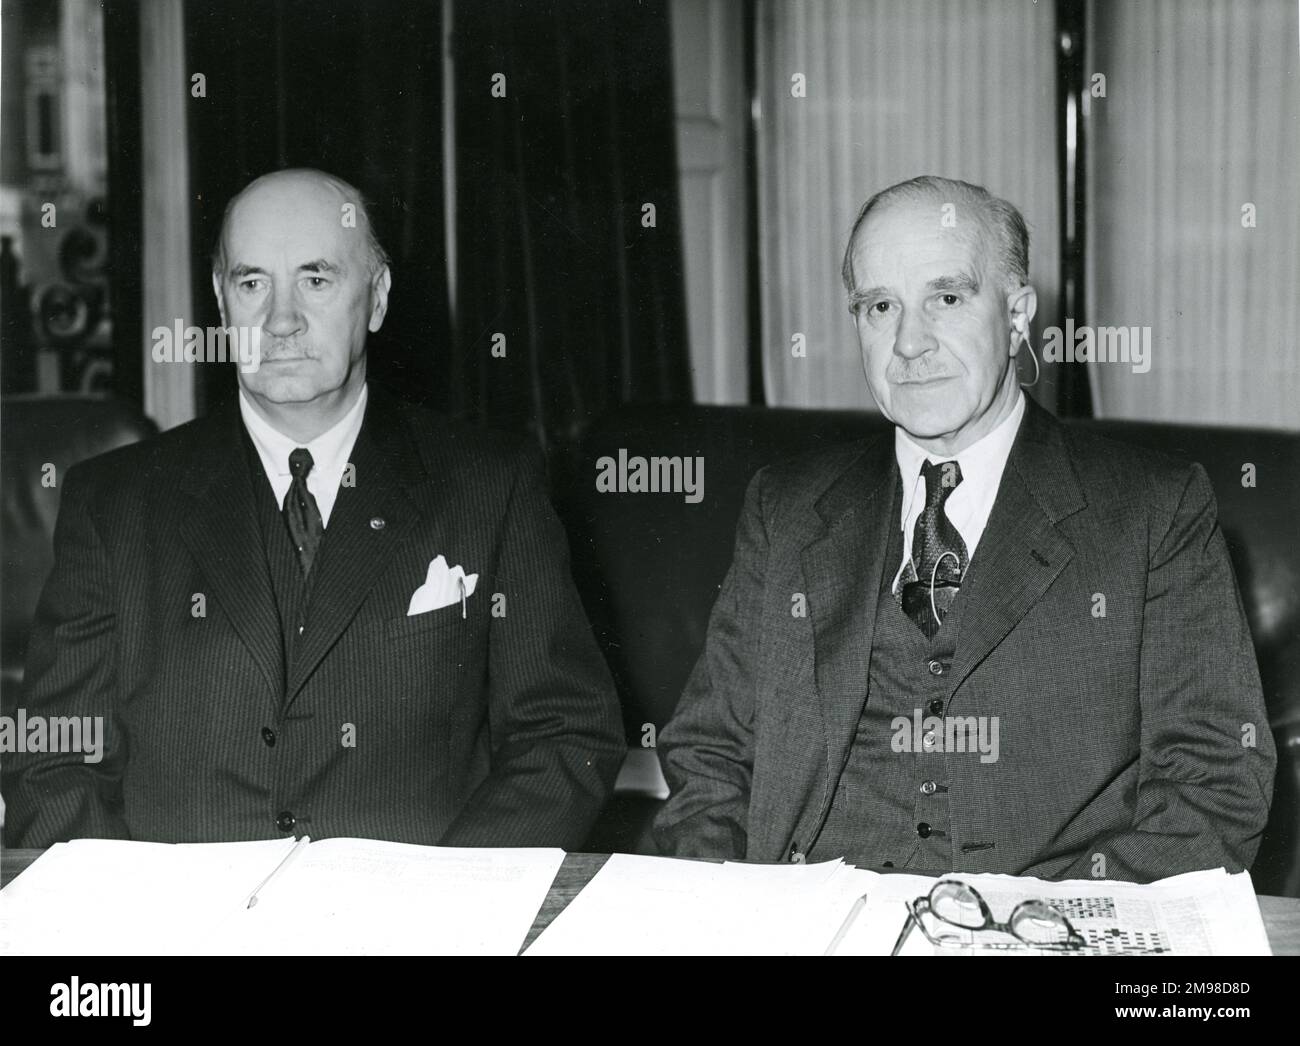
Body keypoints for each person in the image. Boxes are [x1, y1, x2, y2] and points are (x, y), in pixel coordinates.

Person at [654, 175, 1275, 882]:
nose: (909, 342)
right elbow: (709, 755)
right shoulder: (788, 508)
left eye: (946, 298)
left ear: (1016, 317)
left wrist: (1045, 933)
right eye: (879, 306)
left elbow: (1215, 780)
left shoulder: (1154, 509)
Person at [3, 168, 625, 849]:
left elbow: (565, 731)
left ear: (378, 298)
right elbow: (56, 759)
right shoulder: (114, 503)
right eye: (251, 283)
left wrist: (448, 906)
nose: (281, 320)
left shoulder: (489, 485)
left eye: (316, 279)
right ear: (220, 302)